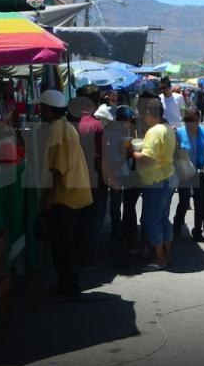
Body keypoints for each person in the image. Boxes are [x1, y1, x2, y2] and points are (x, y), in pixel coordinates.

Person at [39, 89, 93, 298]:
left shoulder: (58, 130)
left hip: (66, 196)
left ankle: (68, 288)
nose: (40, 111)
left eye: (42, 108)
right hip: (73, 192)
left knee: (64, 244)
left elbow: (56, 169)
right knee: (66, 243)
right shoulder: (63, 126)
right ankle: (67, 285)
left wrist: (46, 198)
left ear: (49, 110)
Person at [131, 94, 176, 271]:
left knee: (151, 220)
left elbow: (147, 158)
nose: (143, 117)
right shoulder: (167, 128)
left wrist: (130, 152)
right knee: (163, 218)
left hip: (155, 180)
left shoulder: (154, 131)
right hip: (166, 178)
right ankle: (167, 254)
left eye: (144, 114)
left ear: (150, 113)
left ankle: (159, 258)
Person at [75, 85, 107, 267]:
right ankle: (89, 255)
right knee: (94, 218)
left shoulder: (71, 121)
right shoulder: (95, 125)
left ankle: (80, 251)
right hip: (93, 179)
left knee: (80, 217)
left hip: (75, 178)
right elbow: (97, 158)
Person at [173, 106, 204, 242]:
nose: (192, 122)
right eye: (188, 120)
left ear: (199, 119)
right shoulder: (179, 132)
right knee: (184, 201)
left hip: (200, 171)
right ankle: (178, 221)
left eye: (195, 119)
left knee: (199, 202)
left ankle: (197, 230)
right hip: (184, 172)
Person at [103, 105, 139, 245]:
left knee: (124, 204)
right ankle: (119, 231)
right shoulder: (113, 131)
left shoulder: (129, 130)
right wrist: (128, 153)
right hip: (118, 171)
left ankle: (124, 230)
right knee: (120, 204)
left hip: (123, 172)